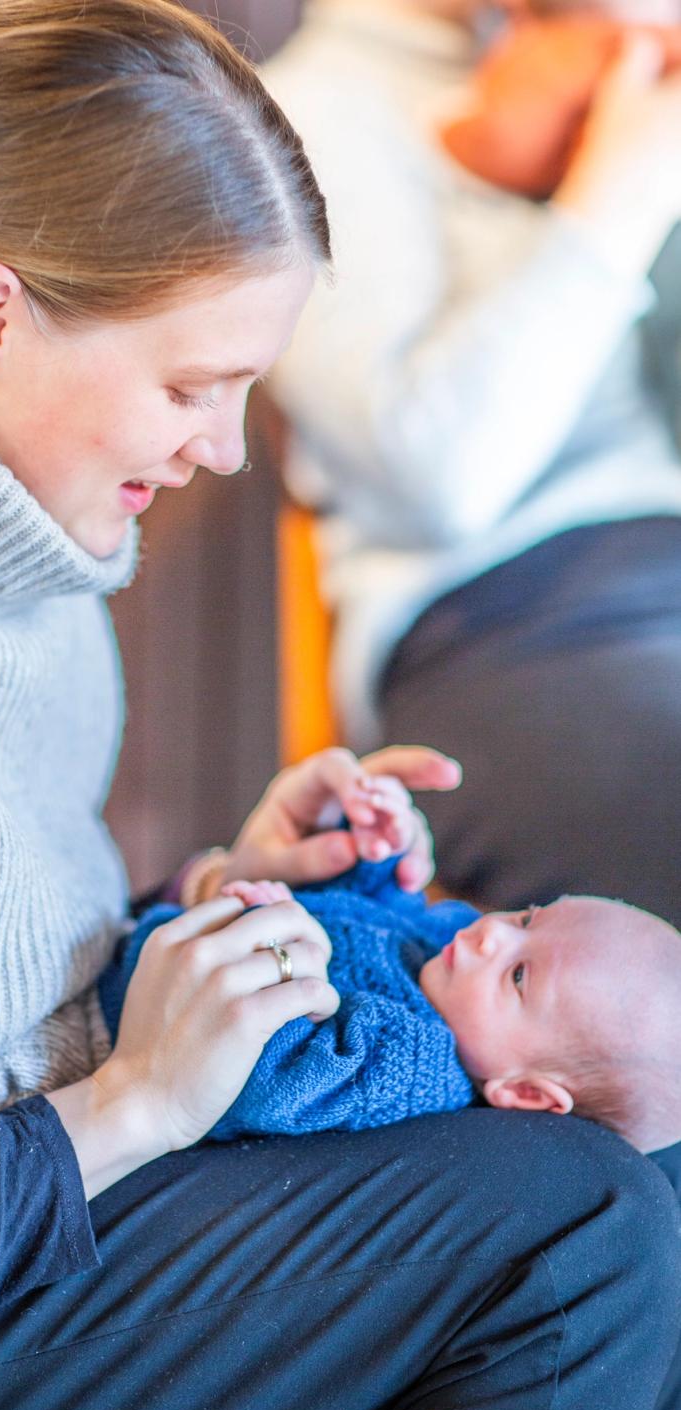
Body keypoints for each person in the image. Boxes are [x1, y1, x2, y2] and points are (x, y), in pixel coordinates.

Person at [0, 3, 679, 1410]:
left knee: (645, 1145)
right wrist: (128, 1111)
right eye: (191, 384)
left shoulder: (25, 536)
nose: (227, 451)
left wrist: (221, 891)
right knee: (582, 1228)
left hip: (22, 1189)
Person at [263, 0, 681, 925]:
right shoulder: (299, 119)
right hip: (514, 622)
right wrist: (620, 195)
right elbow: (432, 479)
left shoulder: (586, 61)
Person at [103, 779, 681, 1152]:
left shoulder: (410, 1066)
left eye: (520, 975)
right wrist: (378, 849)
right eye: (527, 917)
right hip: (143, 946)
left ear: (526, 1093)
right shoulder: (447, 945)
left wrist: (282, 958)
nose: (492, 934)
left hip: (112, 1039)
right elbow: (377, 909)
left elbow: (266, 1090)